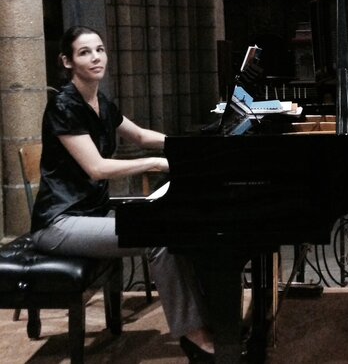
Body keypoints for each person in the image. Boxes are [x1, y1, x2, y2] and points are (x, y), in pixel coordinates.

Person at [30, 25, 215, 363]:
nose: (96, 57)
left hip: (90, 213)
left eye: (99, 49)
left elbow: (141, 136)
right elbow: (97, 168)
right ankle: (196, 337)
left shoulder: (100, 102)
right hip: (58, 223)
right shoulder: (63, 105)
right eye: (84, 52)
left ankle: (209, 321)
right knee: (157, 237)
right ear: (67, 61)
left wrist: (191, 146)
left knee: (181, 227)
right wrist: (156, 163)